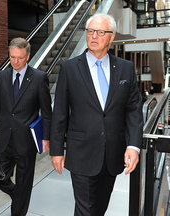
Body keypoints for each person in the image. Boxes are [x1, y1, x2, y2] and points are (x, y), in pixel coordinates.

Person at [50, 13, 143, 216]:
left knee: (99, 208)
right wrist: (56, 150)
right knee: (86, 210)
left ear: (111, 37)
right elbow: (60, 113)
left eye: (100, 32)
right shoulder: (69, 68)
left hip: (113, 154)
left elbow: (133, 109)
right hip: (81, 152)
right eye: (90, 31)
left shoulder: (125, 69)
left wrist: (133, 146)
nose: (93, 36)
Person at [0, 37, 52, 216]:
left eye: (20, 58)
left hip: (26, 142)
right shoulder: (1, 77)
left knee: (25, 183)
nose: (15, 61)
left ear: (28, 56)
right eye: (12, 57)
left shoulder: (39, 78)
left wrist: (46, 137)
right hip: (4, 141)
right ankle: (16, 194)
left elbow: (46, 111)